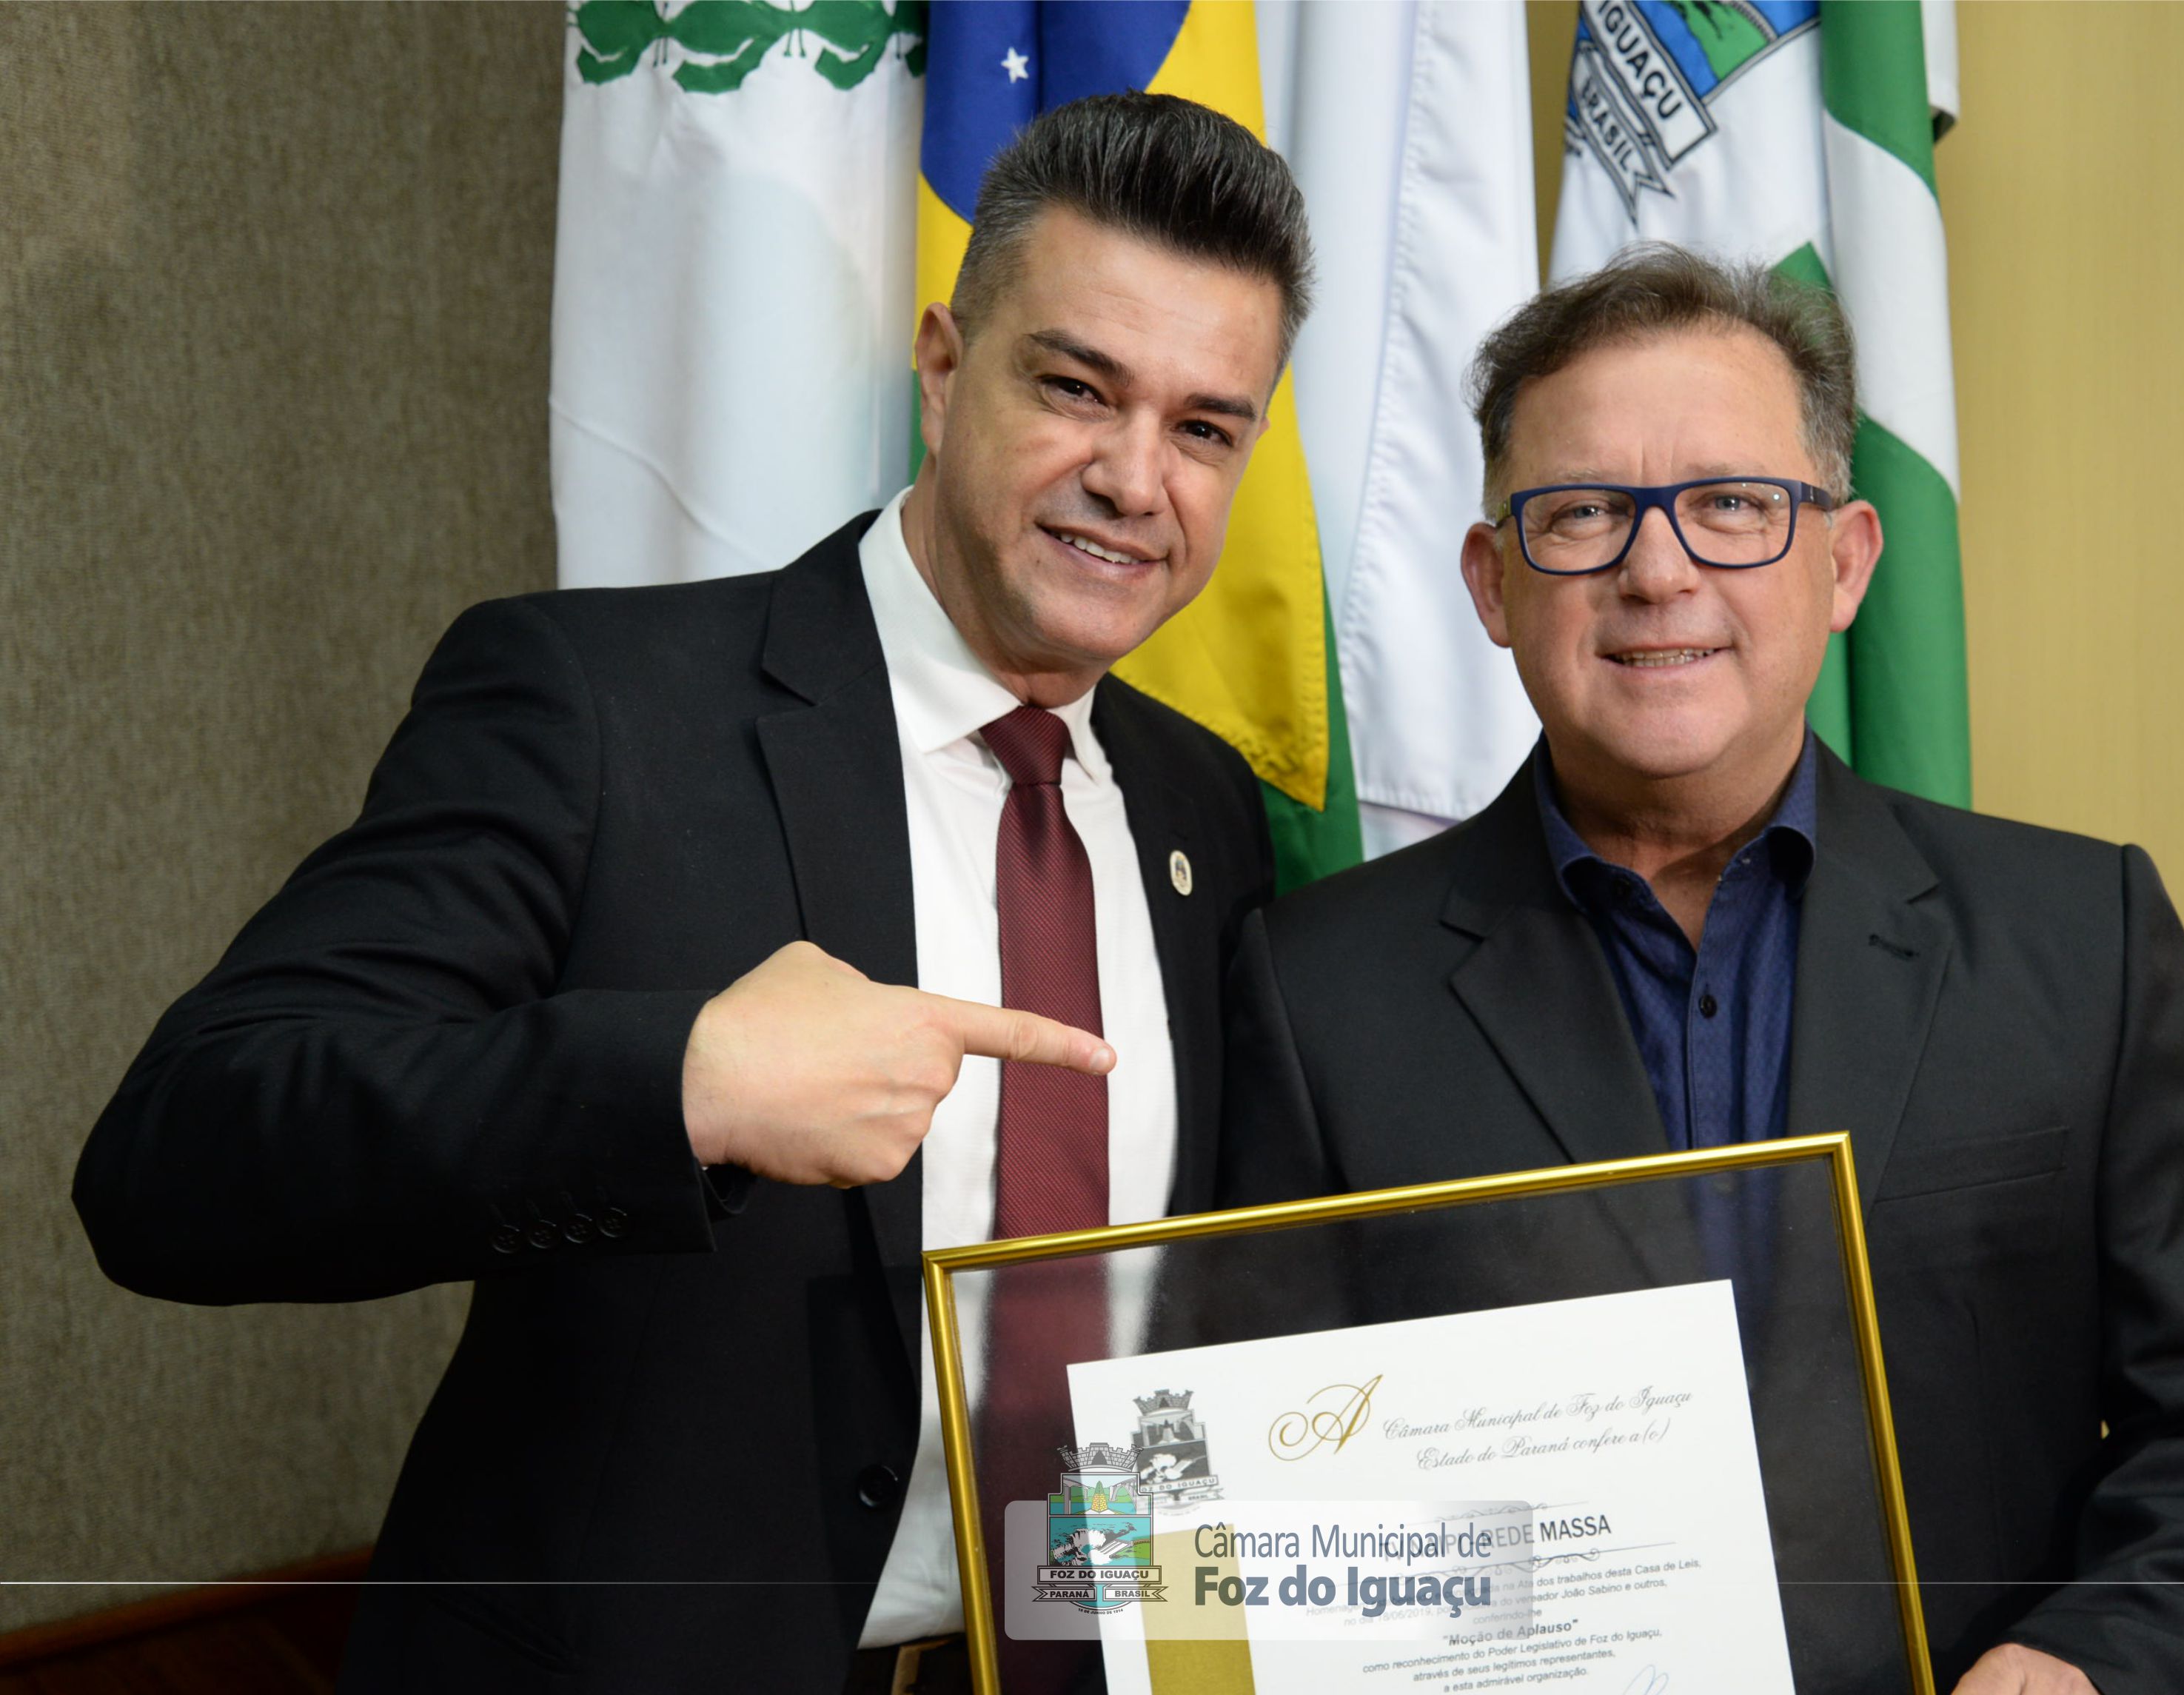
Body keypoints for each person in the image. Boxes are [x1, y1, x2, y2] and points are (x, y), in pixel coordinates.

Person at [75, 93, 1307, 1694]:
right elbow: (175, 1159)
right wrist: (681, 1083)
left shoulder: (1204, 805)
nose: (1136, 478)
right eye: (1076, 387)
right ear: (944, 369)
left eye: (1204, 428)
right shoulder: (598, 706)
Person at [1216, 247, 2184, 1695]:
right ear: (1493, 583)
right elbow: (1252, 1503)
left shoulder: (2082, 936)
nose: (1656, 571)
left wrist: (2089, 1665)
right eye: (1582, 513)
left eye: (1732, 505)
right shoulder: (1314, 989)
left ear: (1846, 561)